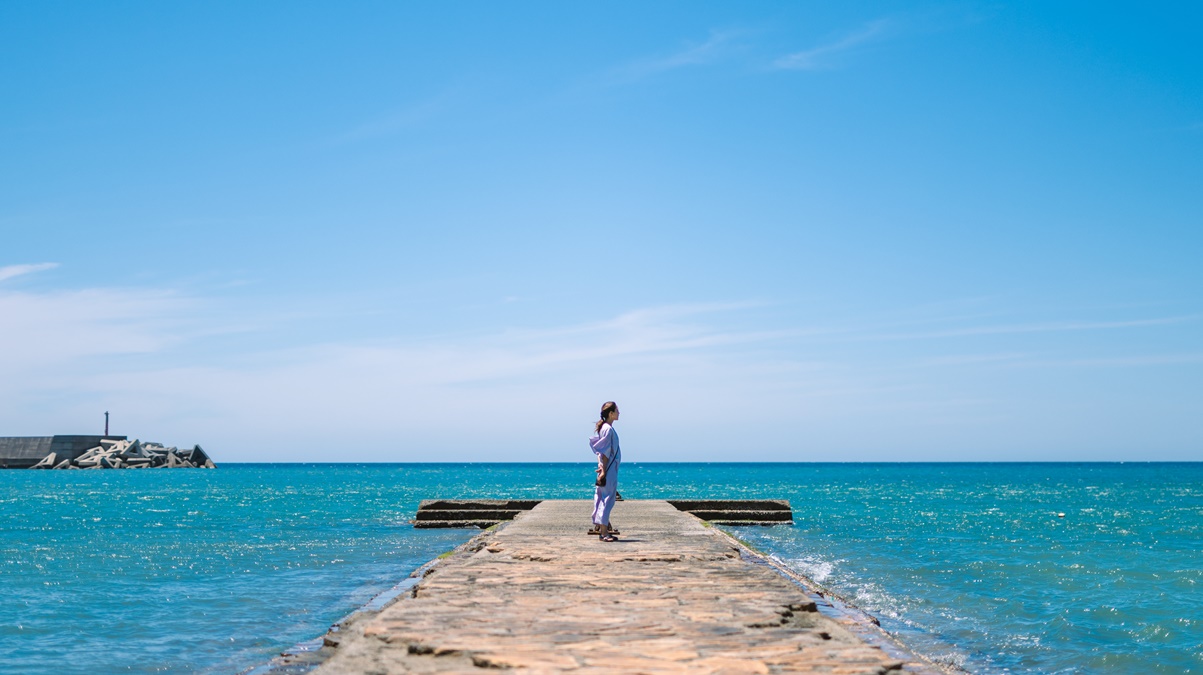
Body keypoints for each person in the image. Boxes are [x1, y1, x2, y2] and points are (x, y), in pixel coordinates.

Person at [589, 401, 621, 542]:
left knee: (602, 498)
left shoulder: (604, 428)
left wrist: (601, 467)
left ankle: (603, 530)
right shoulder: (608, 429)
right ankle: (604, 533)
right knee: (607, 499)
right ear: (611, 413)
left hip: (607, 468)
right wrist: (604, 470)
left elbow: (600, 452)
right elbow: (605, 452)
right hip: (609, 469)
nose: (619, 413)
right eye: (617, 411)